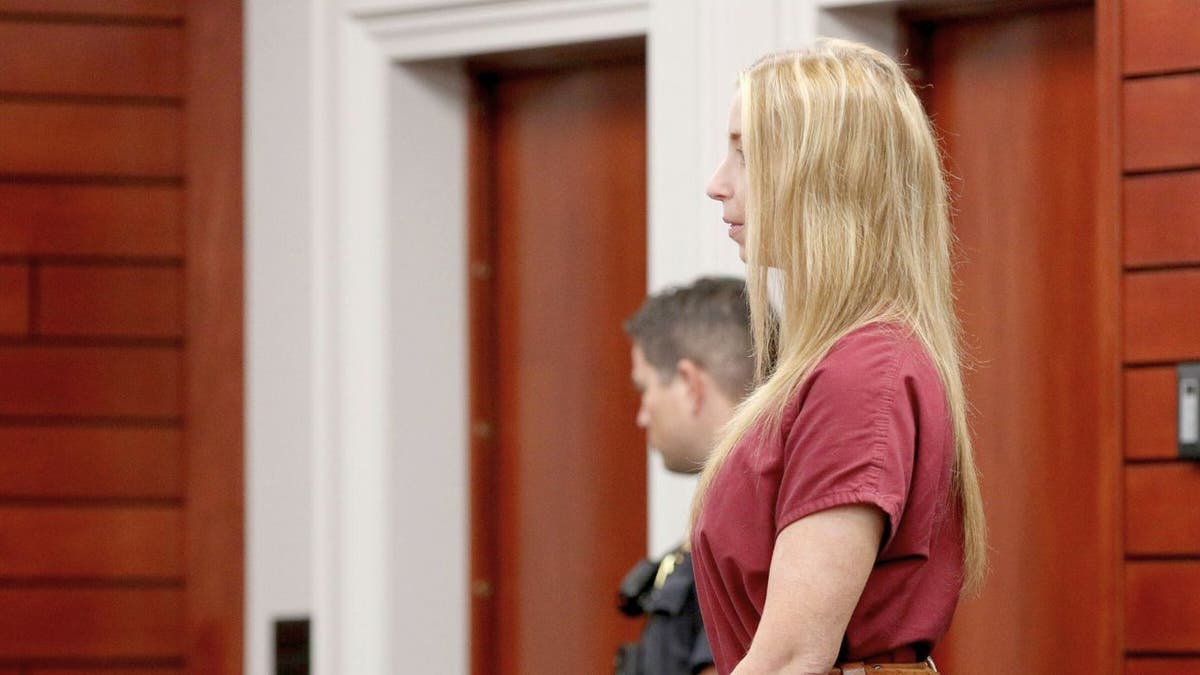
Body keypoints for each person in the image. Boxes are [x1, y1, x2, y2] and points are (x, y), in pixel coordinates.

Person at [691, 40, 987, 675]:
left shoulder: (862, 374)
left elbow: (793, 658)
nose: (717, 184)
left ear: (822, 172)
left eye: (746, 154)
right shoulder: (855, 361)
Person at [616, 276, 758, 675]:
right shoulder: (731, 513)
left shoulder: (750, 525)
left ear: (690, 384)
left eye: (644, 389)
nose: (642, 415)